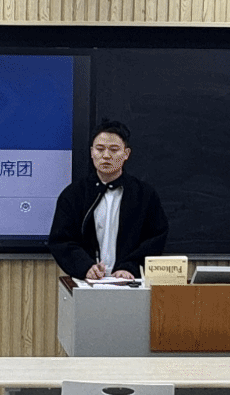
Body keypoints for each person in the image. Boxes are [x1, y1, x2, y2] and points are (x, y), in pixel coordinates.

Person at [46, 119, 170, 281]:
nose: (106, 155)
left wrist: (130, 266)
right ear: (92, 152)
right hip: (87, 281)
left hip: (130, 280)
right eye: (100, 149)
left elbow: (156, 238)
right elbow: (61, 240)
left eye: (114, 150)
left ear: (126, 154)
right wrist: (85, 266)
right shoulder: (74, 194)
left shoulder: (144, 194)